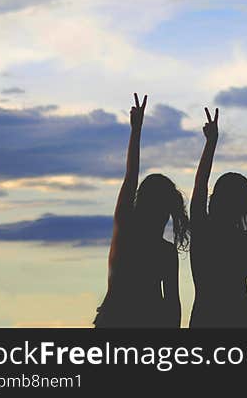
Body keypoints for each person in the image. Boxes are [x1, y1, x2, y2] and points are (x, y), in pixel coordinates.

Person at [94, 94, 189, 328]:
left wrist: (136, 130)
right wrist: (135, 131)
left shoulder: (127, 233)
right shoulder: (131, 234)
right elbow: (131, 177)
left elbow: (173, 304)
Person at [189, 107, 247, 328]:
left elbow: (199, 185)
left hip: (204, 319)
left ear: (215, 199)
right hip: (241, 318)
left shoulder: (203, 231)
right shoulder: (246, 242)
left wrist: (211, 142)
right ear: (245, 205)